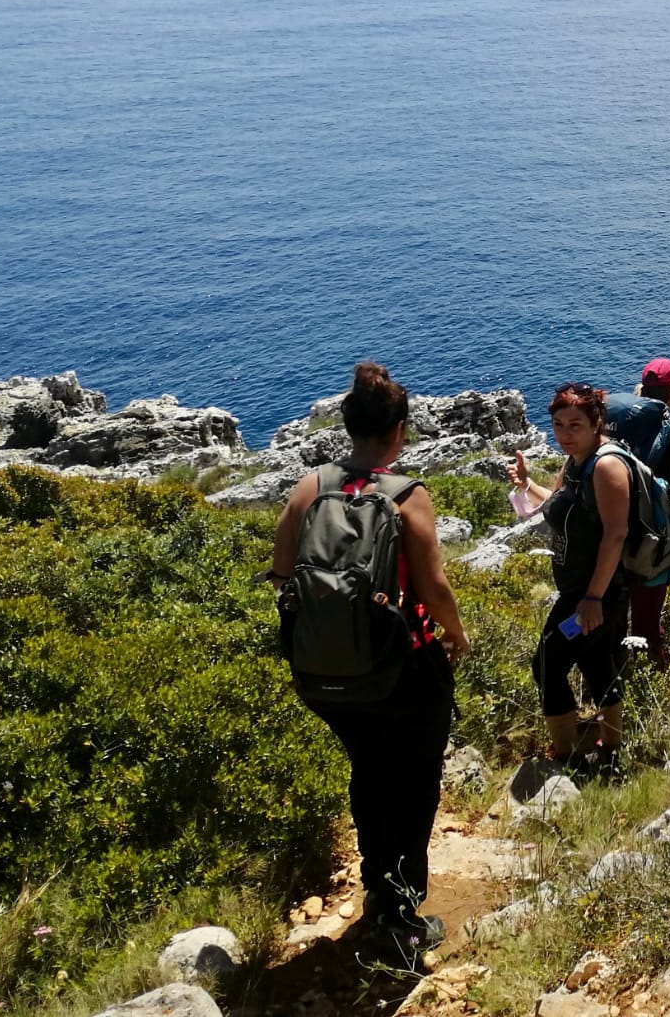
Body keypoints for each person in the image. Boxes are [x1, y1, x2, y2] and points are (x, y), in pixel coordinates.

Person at [272, 362, 469, 953]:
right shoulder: (407, 497)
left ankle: (380, 897)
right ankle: (400, 920)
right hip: (403, 668)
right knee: (413, 786)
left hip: (326, 673)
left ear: (349, 427)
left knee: (370, 773)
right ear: (399, 431)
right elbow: (433, 590)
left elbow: (283, 575)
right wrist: (457, 636)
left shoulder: (311, 488)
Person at [511, 383, 632, 779]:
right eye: (558, 424)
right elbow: (558, 504)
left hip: (596, 593)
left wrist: (593, 598)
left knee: (546, 665)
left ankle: (566, 757)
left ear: (597, 422)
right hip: (582, 590)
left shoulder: (606, 465)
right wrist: (526, 484)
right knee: (595, 662)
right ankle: (611, 748)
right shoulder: (576, 462)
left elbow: (616, 533)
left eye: (575, 424)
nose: (565, 433)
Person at [624, 358, 670, 668]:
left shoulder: (621, 420)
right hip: (652, 536)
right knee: (647, 618)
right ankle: (656, 673)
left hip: (611, 528)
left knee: (611, 607)